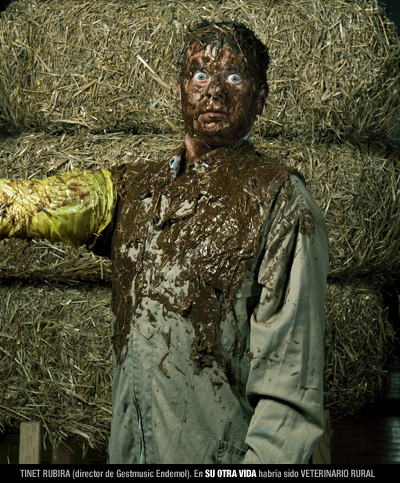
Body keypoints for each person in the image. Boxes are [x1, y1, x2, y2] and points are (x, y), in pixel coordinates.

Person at [0, 22, 329, 464]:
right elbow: (33, 203)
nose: (215, 91)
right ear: (180, 92)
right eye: (200, 75)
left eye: (234, 77)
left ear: (260, 97)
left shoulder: (279, 200)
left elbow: (290, 387)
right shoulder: (136, 191)